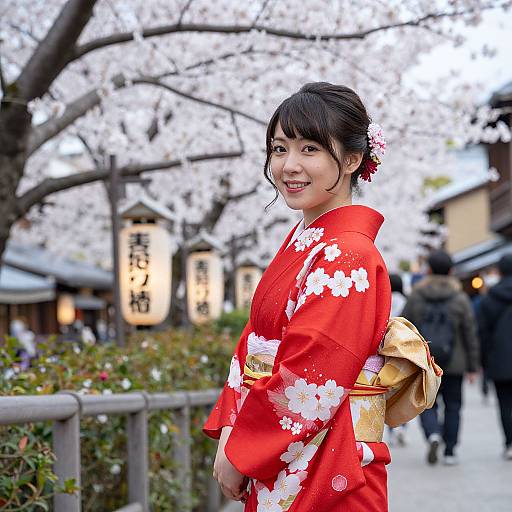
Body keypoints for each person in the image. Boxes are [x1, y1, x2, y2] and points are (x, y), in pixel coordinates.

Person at [204, 82, 395, 511]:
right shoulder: (309, 240)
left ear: (351, 159)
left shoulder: (347, 253)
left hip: (332, 465)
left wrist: (244, 447)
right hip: (295, 457)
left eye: (310, 149)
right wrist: (234, 430)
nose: (289, 165)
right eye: (279, 148)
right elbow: (254, 344)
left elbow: (314, 371)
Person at [402, 249, 479, 466]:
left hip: (426, 361)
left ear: (428, 270)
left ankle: (433, 434)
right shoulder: (460, 298)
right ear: (451, 271)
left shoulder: (416, 296)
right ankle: (450, 451)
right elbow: (469, 334)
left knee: (428, 403)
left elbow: (404, 328)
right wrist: (473, 366)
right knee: (453, 405)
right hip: (455, 362)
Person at [477, 253, 512, 460]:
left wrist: (483, 361)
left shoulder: (491, 297)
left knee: (505, 403)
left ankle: (509, 443)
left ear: (499, 271)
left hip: (500, 359)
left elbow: (482, 331)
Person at [387, 273, 408, 446]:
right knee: (402, 389)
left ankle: (392, 429)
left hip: (386, 348)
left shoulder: (384, 299)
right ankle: (402, 425)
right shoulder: (406, 301)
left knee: (388, 390)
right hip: (403, 349)